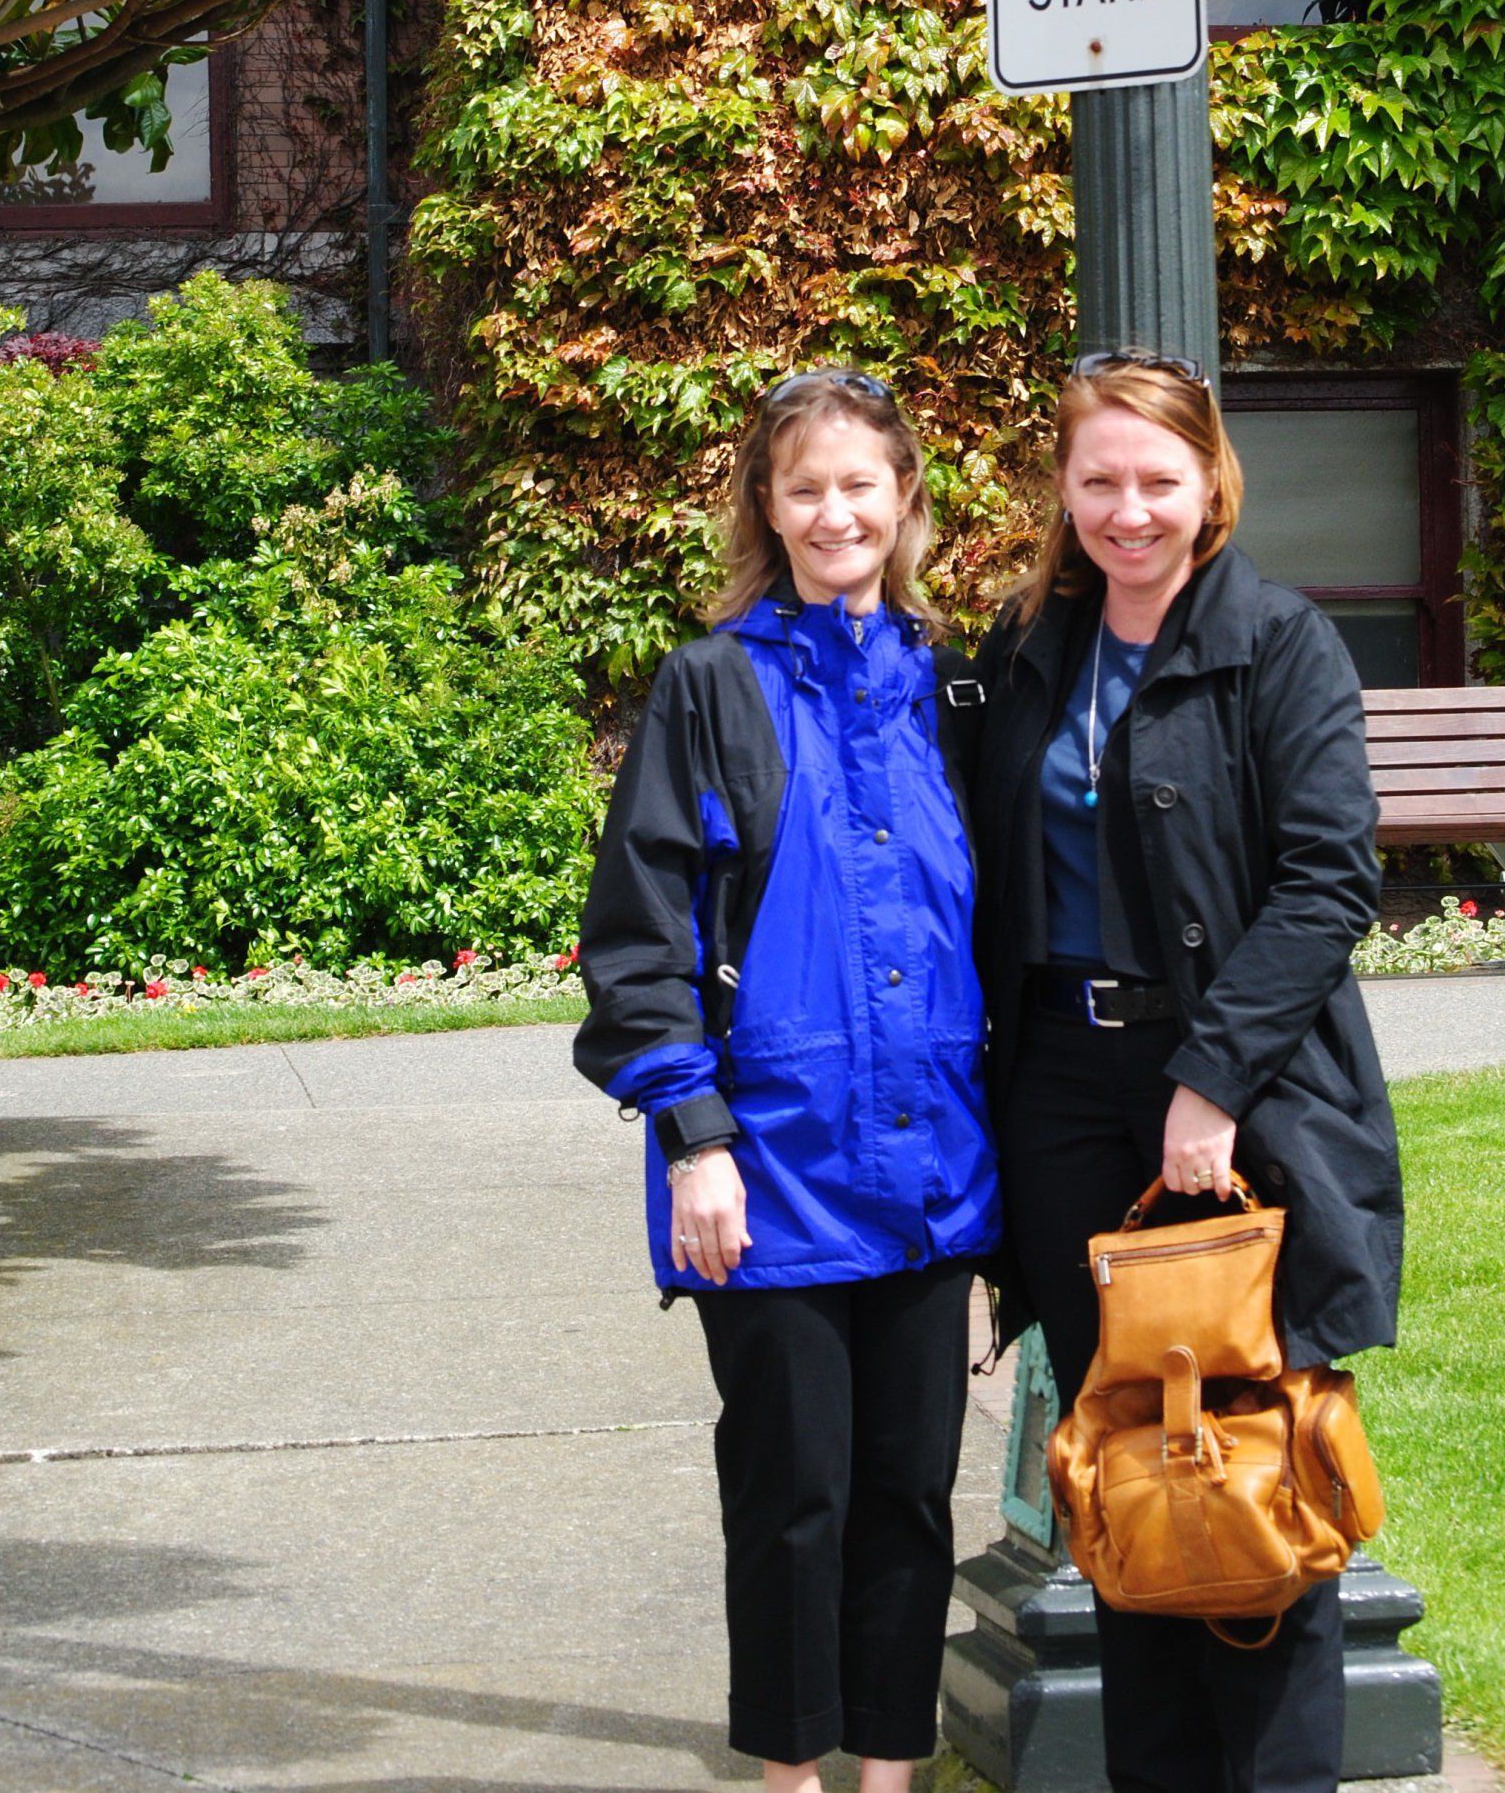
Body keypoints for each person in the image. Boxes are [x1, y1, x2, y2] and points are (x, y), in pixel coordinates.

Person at [968, 350, 1403, 1793]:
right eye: (1100, 480)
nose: (1129, 509)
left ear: (1212, 481)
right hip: (1065, 1099)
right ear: (1065, 487)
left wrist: (1208, 1083)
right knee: (1122, 1477)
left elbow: (1330, 881)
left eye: (1158, 479)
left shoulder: (1279, 641)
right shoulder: (1029, 646)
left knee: (1254, 1465)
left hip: (1236, 1100)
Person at [574, 368, 999, 1793]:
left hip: (934, 1163)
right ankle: (790, 1774)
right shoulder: (708, 687)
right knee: (792, 1497)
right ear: (768, 504)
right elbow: (641, 935)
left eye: (859, 485)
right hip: (768, 1165)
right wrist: (694, 1136)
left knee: (906, 1496)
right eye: (804, 487)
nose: (835, 513)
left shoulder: (959, 681)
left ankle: (892, 1766)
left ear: (904, 499)